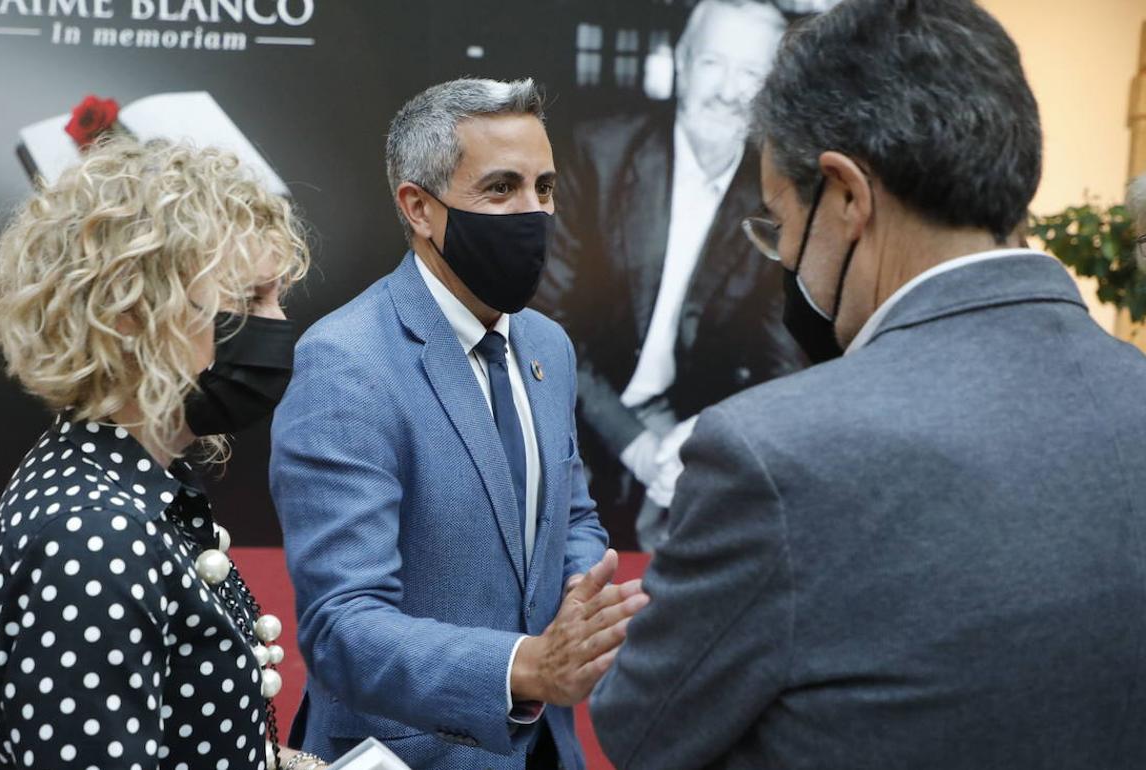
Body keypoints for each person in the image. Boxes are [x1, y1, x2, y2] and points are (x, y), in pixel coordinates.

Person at [592, 0, 1146, 767]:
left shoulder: (773, 457)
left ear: (848, 198)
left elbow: (638, 728)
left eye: (780, 226)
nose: (782, 261)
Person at [270, 78, 646, 770]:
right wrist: (525, 666)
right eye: (501, 189)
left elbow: (572, 512)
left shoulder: (548, 348)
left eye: (546, 187)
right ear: (418, 207)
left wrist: (578, 594)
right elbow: (342, 627)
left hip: (544, 750)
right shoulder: (346, 362)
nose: (533, 212)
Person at [0, 138, 323, 770]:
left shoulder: (134, 485)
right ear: (131, 314)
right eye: (249, 299)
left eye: (278, 297)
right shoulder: (93, 535)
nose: (279, 323)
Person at [535, 0, 805, 551]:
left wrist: (705, 431)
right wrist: (635, 442)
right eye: (712, 63)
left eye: (752, 73)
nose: (729, 90)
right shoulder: (599, 152)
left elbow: (782, 358)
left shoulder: (780, 191)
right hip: (570, 408)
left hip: (689, 422)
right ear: (682, 61)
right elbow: (545, 325)